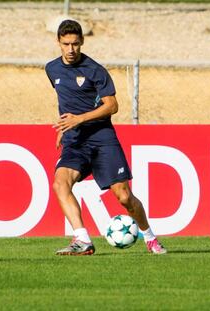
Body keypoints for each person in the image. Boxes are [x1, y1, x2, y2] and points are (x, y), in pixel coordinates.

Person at [45, 19, 166, 255]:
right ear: (58, 42)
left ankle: (150, 237)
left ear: (82, 42)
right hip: (76, 141)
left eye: (75, 44)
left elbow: (112, 106)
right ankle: (82, 240)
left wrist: (79, 119)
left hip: (102, 138)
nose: (71, 50)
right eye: (66, 44)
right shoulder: (52, 69)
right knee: (60, 183)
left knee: (124, 197)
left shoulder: (95, 70)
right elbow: (66, 101)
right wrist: (64, 127)